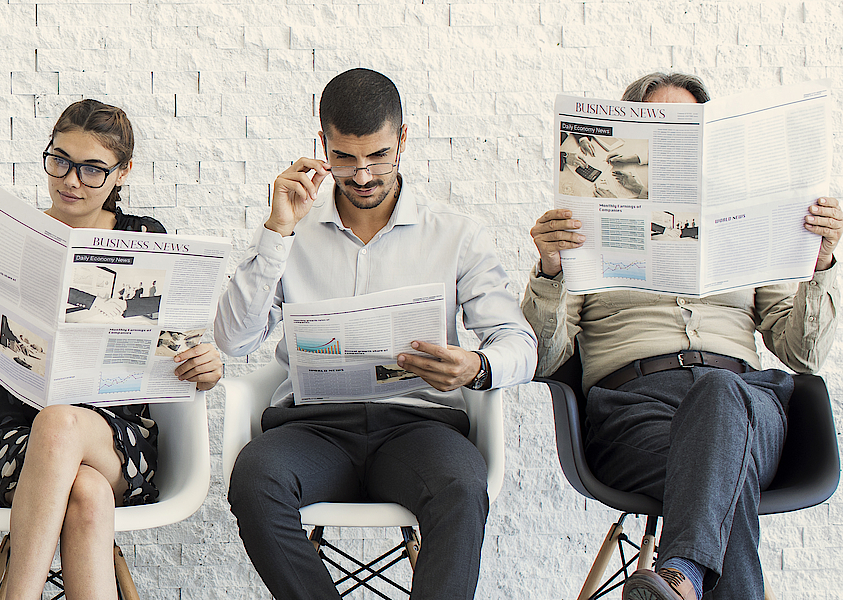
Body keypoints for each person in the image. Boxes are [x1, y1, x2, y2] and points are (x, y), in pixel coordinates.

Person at [214, 68, 536, 599]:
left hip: (419, 428)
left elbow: (519, 342)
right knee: (254, 480)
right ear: (322, 146)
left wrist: (477, 366)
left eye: (378, 157)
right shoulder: (291, 229)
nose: (362, 176)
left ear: (403, 140)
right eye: (344, 158)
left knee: (460, 486)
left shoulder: (456, 235)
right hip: (312, 430)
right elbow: (232, 340)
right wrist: (276, 233)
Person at [525, 72, 843, 600]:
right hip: (633, 414)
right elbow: (544, 356)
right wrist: (552, 271)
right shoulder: (584, 226)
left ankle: (685, 575)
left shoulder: (746, 220)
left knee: (719, 404)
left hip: (746, 404)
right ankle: (685, 576)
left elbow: (803, 353)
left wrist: (823, 263)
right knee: (720, 481)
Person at [0, 99, 223, 599]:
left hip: (119, 442)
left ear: (123, 172)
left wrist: (206, 366)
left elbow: (180, 351)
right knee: (85, 493)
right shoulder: (8, 237)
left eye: (92, 169)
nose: (70, 181)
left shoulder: (146, 239)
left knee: (60, 421)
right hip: (18, 444)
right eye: (59, 160)